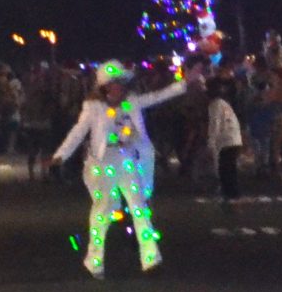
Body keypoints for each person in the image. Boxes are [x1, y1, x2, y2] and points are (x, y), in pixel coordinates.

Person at [51, 61, 192, 279]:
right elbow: (78, 132)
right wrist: (60, 155)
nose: (118, 87)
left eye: (121, 82)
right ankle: (94, 260)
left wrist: (183, 83)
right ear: (105, 86)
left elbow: (157, 97)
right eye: (114, 83)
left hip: (126, 158)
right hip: (102, 161)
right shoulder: (93, 108)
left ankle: (151, 259)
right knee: (103, 210)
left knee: (139, 207)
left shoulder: (131, 103)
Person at [205, 76, 245, 207]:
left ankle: (231, 194)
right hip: (233, 138)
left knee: (226, 168)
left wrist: (211, 143)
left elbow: (215, 124)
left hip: (227, 140)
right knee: (229, 168)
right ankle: (230, 193)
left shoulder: (215, 105)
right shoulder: (224, 103)